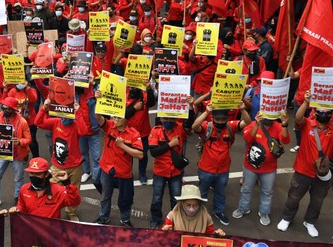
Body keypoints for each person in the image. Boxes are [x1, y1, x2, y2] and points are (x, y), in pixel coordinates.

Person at [277, 91, 333, 237]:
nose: (324, 114)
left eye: (328, 112)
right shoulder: (307, 124)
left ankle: (310, 222)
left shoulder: (331, 128)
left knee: (318, 200)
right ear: (315, 111)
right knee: (294, 197)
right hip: (303, 171)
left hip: (323, 173)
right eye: (322, 110)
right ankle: (286, 218)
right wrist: (306, 102)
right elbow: (298, 117)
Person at [191, 102, 251, 226]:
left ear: (227, 119)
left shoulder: (231, 127)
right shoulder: (207, 127)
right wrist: (206, 112)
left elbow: (247, 122)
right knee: (202, 192)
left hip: (223, 169)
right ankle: (198, 213)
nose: (220, 121)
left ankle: (218, 211)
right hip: (206, 168)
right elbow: (195, 126)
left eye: (223, 119)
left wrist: (242, 109)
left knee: (220, 192)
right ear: (212, 118)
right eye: (217, 119)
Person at [93, 92, 144, 226]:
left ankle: (125, 219)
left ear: (125, 120)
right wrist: (98, 100)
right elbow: (97, 117)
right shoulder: (109, 125)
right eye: (114, 116)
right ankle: (104, 217)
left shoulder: (134, 134)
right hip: (107, 169)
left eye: (118, 117)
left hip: (124, 172)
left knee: (126, 199)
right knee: (105, 196)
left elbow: (140, 154)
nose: (114, 119)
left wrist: (122, 146)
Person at [233, 113, 290, 226]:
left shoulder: (278, 127)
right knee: (246, 189)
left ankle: (264, 213)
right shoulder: (252, 124)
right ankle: (243, 208)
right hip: (250, 167)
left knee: (267, 192)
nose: (268, 118)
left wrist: (284, 126)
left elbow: (285, 140)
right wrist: (256, 125)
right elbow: (247, 139)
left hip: (269, 170)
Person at [147, 96, 195, 229]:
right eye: (166, 119)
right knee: (157, 198)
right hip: (160, 171)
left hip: (176, 172)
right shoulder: (155, 131)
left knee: (176, 199)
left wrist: (190, 107)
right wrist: (170, 144)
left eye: (172, 119)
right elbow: (153, 152)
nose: (169, 121)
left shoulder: (180, 128)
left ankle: (175, 221)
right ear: (161, 118)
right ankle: (155, 219)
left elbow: (190, 123)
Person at [34, 99, 86, 221]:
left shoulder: (75, 124)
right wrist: (44, 108)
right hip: (57, 166)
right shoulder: (56, 122)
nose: (64, 117)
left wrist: (78, 112)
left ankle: (71, 212)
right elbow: (38, 122)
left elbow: (84, 131)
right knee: (51, 190)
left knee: (74, 191)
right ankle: (51, 210)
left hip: (75, 166)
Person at [0, 97, 32, 207]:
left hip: (18, 154)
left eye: (7, 109)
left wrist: (19, 142)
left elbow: (29, 139)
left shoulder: (22, 122)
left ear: (14, 110)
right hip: (2, 153)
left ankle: (18, 197)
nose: (4, 111)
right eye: (3, 108)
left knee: (18, 178)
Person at [8, 157, 81, 219]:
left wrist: (67, 183)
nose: (34, 176)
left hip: (50, 232)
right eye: (31, 173)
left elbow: (75, 201)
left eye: (38, 174)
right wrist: (17, 209)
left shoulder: (57, 190)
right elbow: (21, 206)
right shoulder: (24, 189)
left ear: (46, 174)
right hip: (31, 230)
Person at [162, 185, 226, 236]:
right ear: (182, 203)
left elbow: (209, 236)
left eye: (195, 205)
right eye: (188, 205)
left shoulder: (206, 217)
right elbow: (165, 235)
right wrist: (164, 230)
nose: (192, 209)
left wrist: (217, 235)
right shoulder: (172, 216)